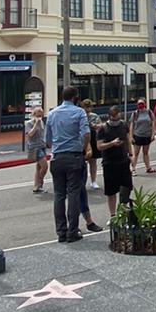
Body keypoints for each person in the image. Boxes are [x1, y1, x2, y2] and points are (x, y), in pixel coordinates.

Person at [45, 86, 102, 242]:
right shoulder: (79, 112)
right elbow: (86, 134)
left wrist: (57, 144)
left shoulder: (52, 113)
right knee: (74, 194)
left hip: (57, 157)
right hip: (74, 156)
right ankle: (72, 231)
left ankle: (61, 231)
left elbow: (48, 140)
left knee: (59, 195)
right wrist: (83, 148)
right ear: (75, 98)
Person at [96, 104, 134, 221]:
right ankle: (113, 215)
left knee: (126, 187)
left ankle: (123, 211)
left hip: (123, 161)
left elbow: (127, 139)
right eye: (113, 118)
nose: (115, 121)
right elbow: (99, 146)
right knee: (111, 191)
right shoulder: (103, 128)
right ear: (109, 117)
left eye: (117, 118)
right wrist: (112, 143)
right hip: (109, 163)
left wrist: (131, 154)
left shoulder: (123, 125)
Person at [25, 104, 48, 194]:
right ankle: (39, 182)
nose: (39, 118)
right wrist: (35, 124)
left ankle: (37, 186)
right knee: (45, 166)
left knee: (39, 167)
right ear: (33, 115)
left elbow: (43, 134)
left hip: (42, 145)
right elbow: (30, 134)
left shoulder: (42, 122)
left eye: (41, 116)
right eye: (37, 115)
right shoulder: (29, 123)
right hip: (35, 147)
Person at [130, 100, 156, 174]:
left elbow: (153, 122)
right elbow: (132, 126)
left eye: (142, 103)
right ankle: (133, 169)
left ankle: (148, 168)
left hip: (147, 135)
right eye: (139, 104)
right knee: (136, 154)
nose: (140, 105)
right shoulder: (135, 113)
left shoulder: (149, 112)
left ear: (145, 104)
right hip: (138, 135)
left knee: (145, 153)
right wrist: (131, 137)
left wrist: (153, 134)